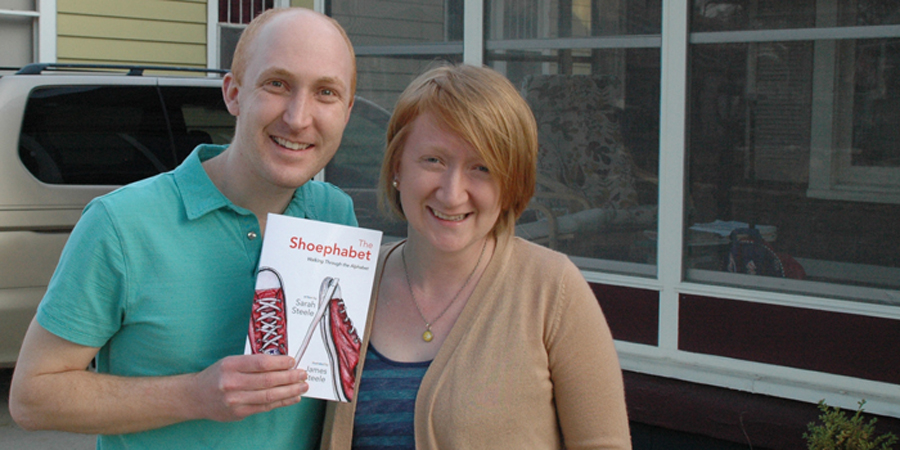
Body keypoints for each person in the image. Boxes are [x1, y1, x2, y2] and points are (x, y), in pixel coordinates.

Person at [10, 7, 357, 449]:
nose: (297, 116)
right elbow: (33, 397)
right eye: (277, 84)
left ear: (346, 111)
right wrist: (195, 395)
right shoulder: (121, 224)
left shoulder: (335, 216)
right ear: (233, 94)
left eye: (325, 92)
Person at [320, 64, 631, 449]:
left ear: (511, 182)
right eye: (433, 160)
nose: (452, 193)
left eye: (481, 168)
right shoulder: (349, 278)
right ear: (397, 165)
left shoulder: (552, 290)